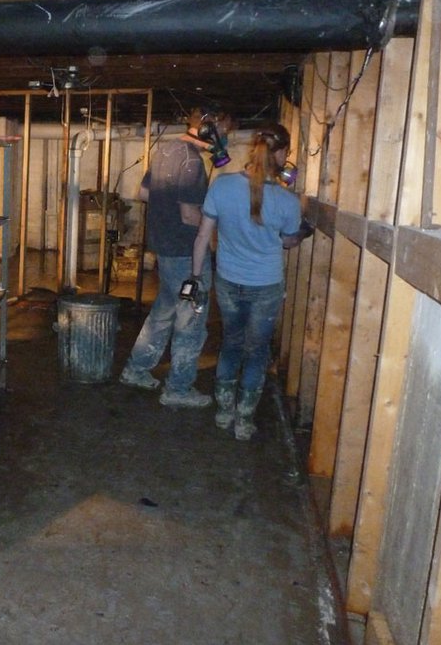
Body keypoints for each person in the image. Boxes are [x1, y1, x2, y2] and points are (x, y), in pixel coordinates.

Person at [189, 122, 312, 440]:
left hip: (229, 280)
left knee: (231, 343)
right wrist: (303, 230)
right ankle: (244, 419)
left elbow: (203, 235)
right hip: (266, 286)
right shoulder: (287, 201)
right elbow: (287, 242)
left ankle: (223, 411)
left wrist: (195, 277)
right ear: (282, 154)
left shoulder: (222, 186)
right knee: (256, 350)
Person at [118, 108, 229, 408]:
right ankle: (178, 389)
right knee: (191, 320)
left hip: (165, 249)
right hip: (185, 252)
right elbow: (190, 214)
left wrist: (167, 213)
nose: (226, 138)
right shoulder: (192, 161)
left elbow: (143, 193)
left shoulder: (166, 150)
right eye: (224, 130)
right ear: (211, 130)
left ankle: (136, 369)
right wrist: (219, 229)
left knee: (164, 311)